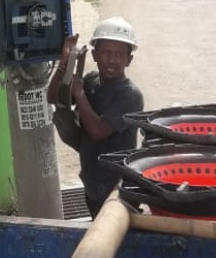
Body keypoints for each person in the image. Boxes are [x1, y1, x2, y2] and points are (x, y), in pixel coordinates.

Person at [48, 17, 144, 219]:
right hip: (93, 181)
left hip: (118, 188)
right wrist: (65, 62)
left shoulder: (130, 95)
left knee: (114, 232)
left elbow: (98, 131)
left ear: (129, 60)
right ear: (94, 55)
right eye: (106, 53)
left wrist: (80, 94)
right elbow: (54, 97)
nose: (112, 60)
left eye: (119, 55)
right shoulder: (92, 81)